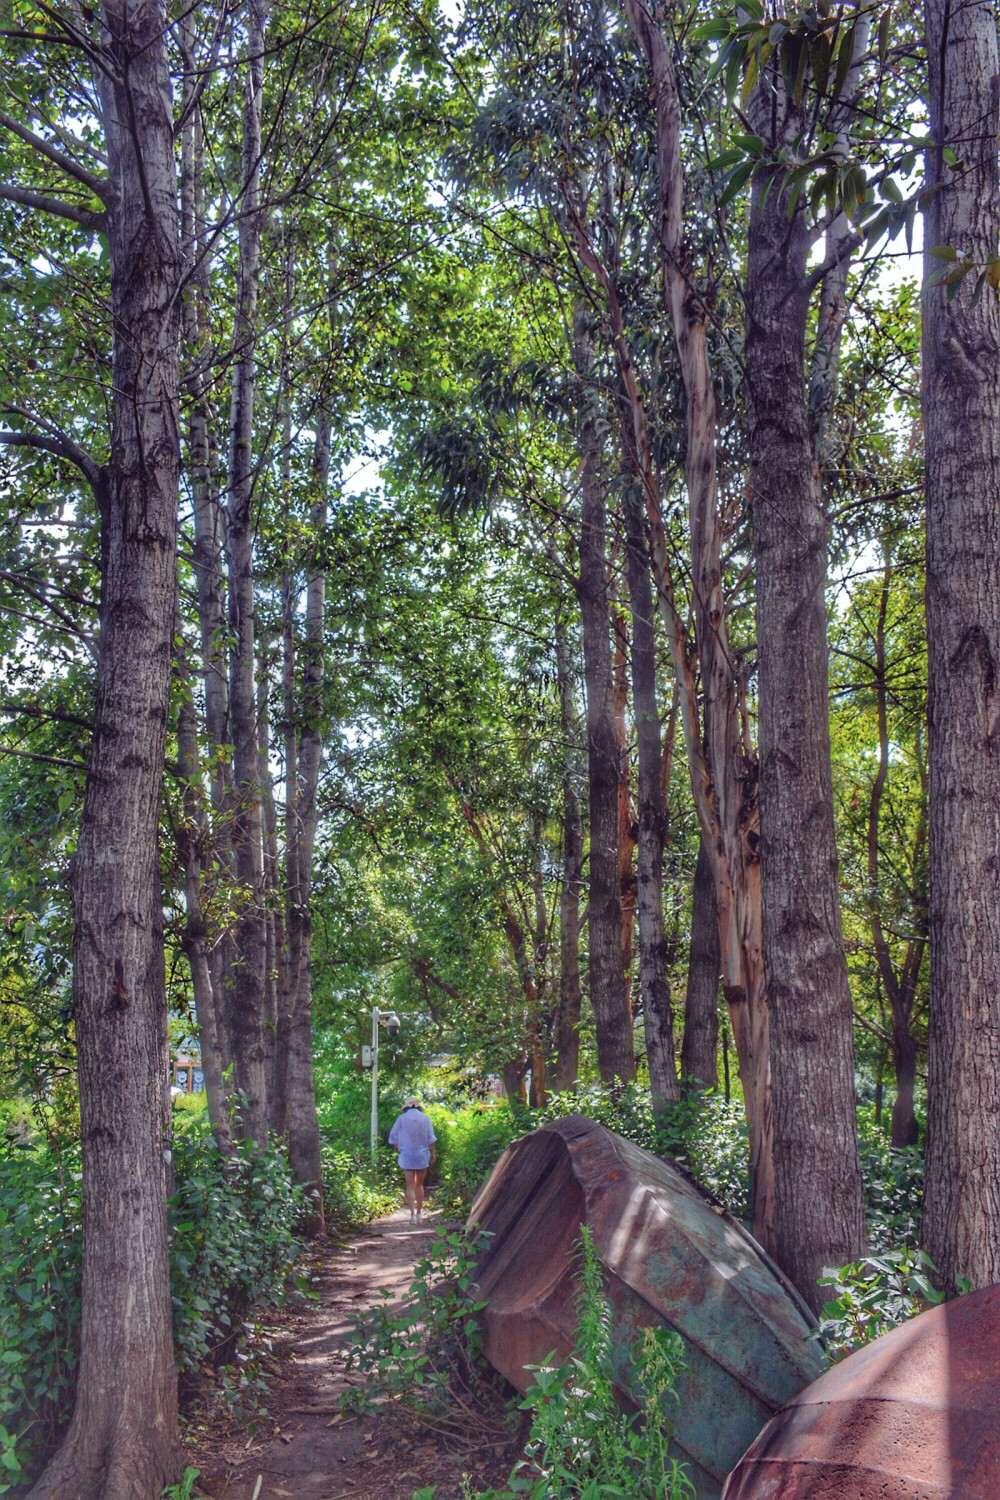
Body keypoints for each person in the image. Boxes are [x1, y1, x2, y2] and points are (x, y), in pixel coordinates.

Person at [387, 1095, 437, 1223]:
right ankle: (420, 1214)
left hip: (407, 1154)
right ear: (418, 1106)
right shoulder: (425, 1118)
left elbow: (393, 1136)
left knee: (410, 1186)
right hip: (422, 1154)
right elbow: (431, 1137)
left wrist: (396, 1145)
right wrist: (433, 1154)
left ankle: (412, 1215)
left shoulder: (401, 1119)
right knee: (419, 1185)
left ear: (406, 1107)